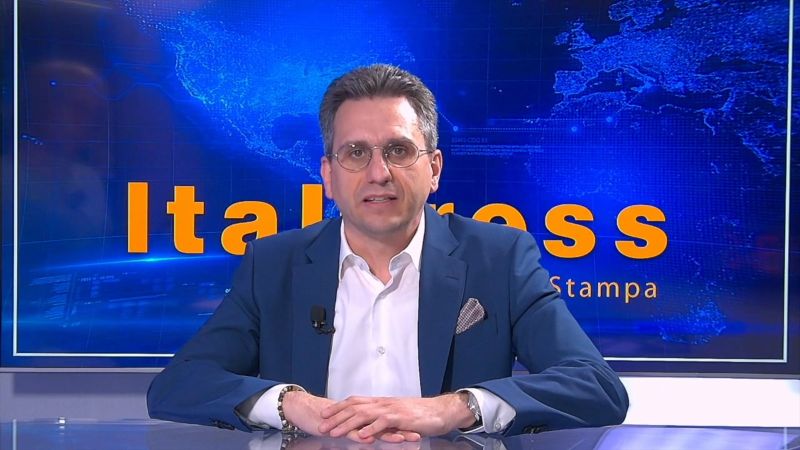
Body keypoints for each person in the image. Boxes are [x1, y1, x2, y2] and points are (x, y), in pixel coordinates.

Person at [147, 64, 629, 443]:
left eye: (398, 150)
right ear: (328, 175)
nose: (378, 173)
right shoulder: (274, 265)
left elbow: (596, 387)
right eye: (356, 153)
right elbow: (178, 384)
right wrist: (289, 404)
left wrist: (455, 408)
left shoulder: (499, 259)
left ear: (433, 169)